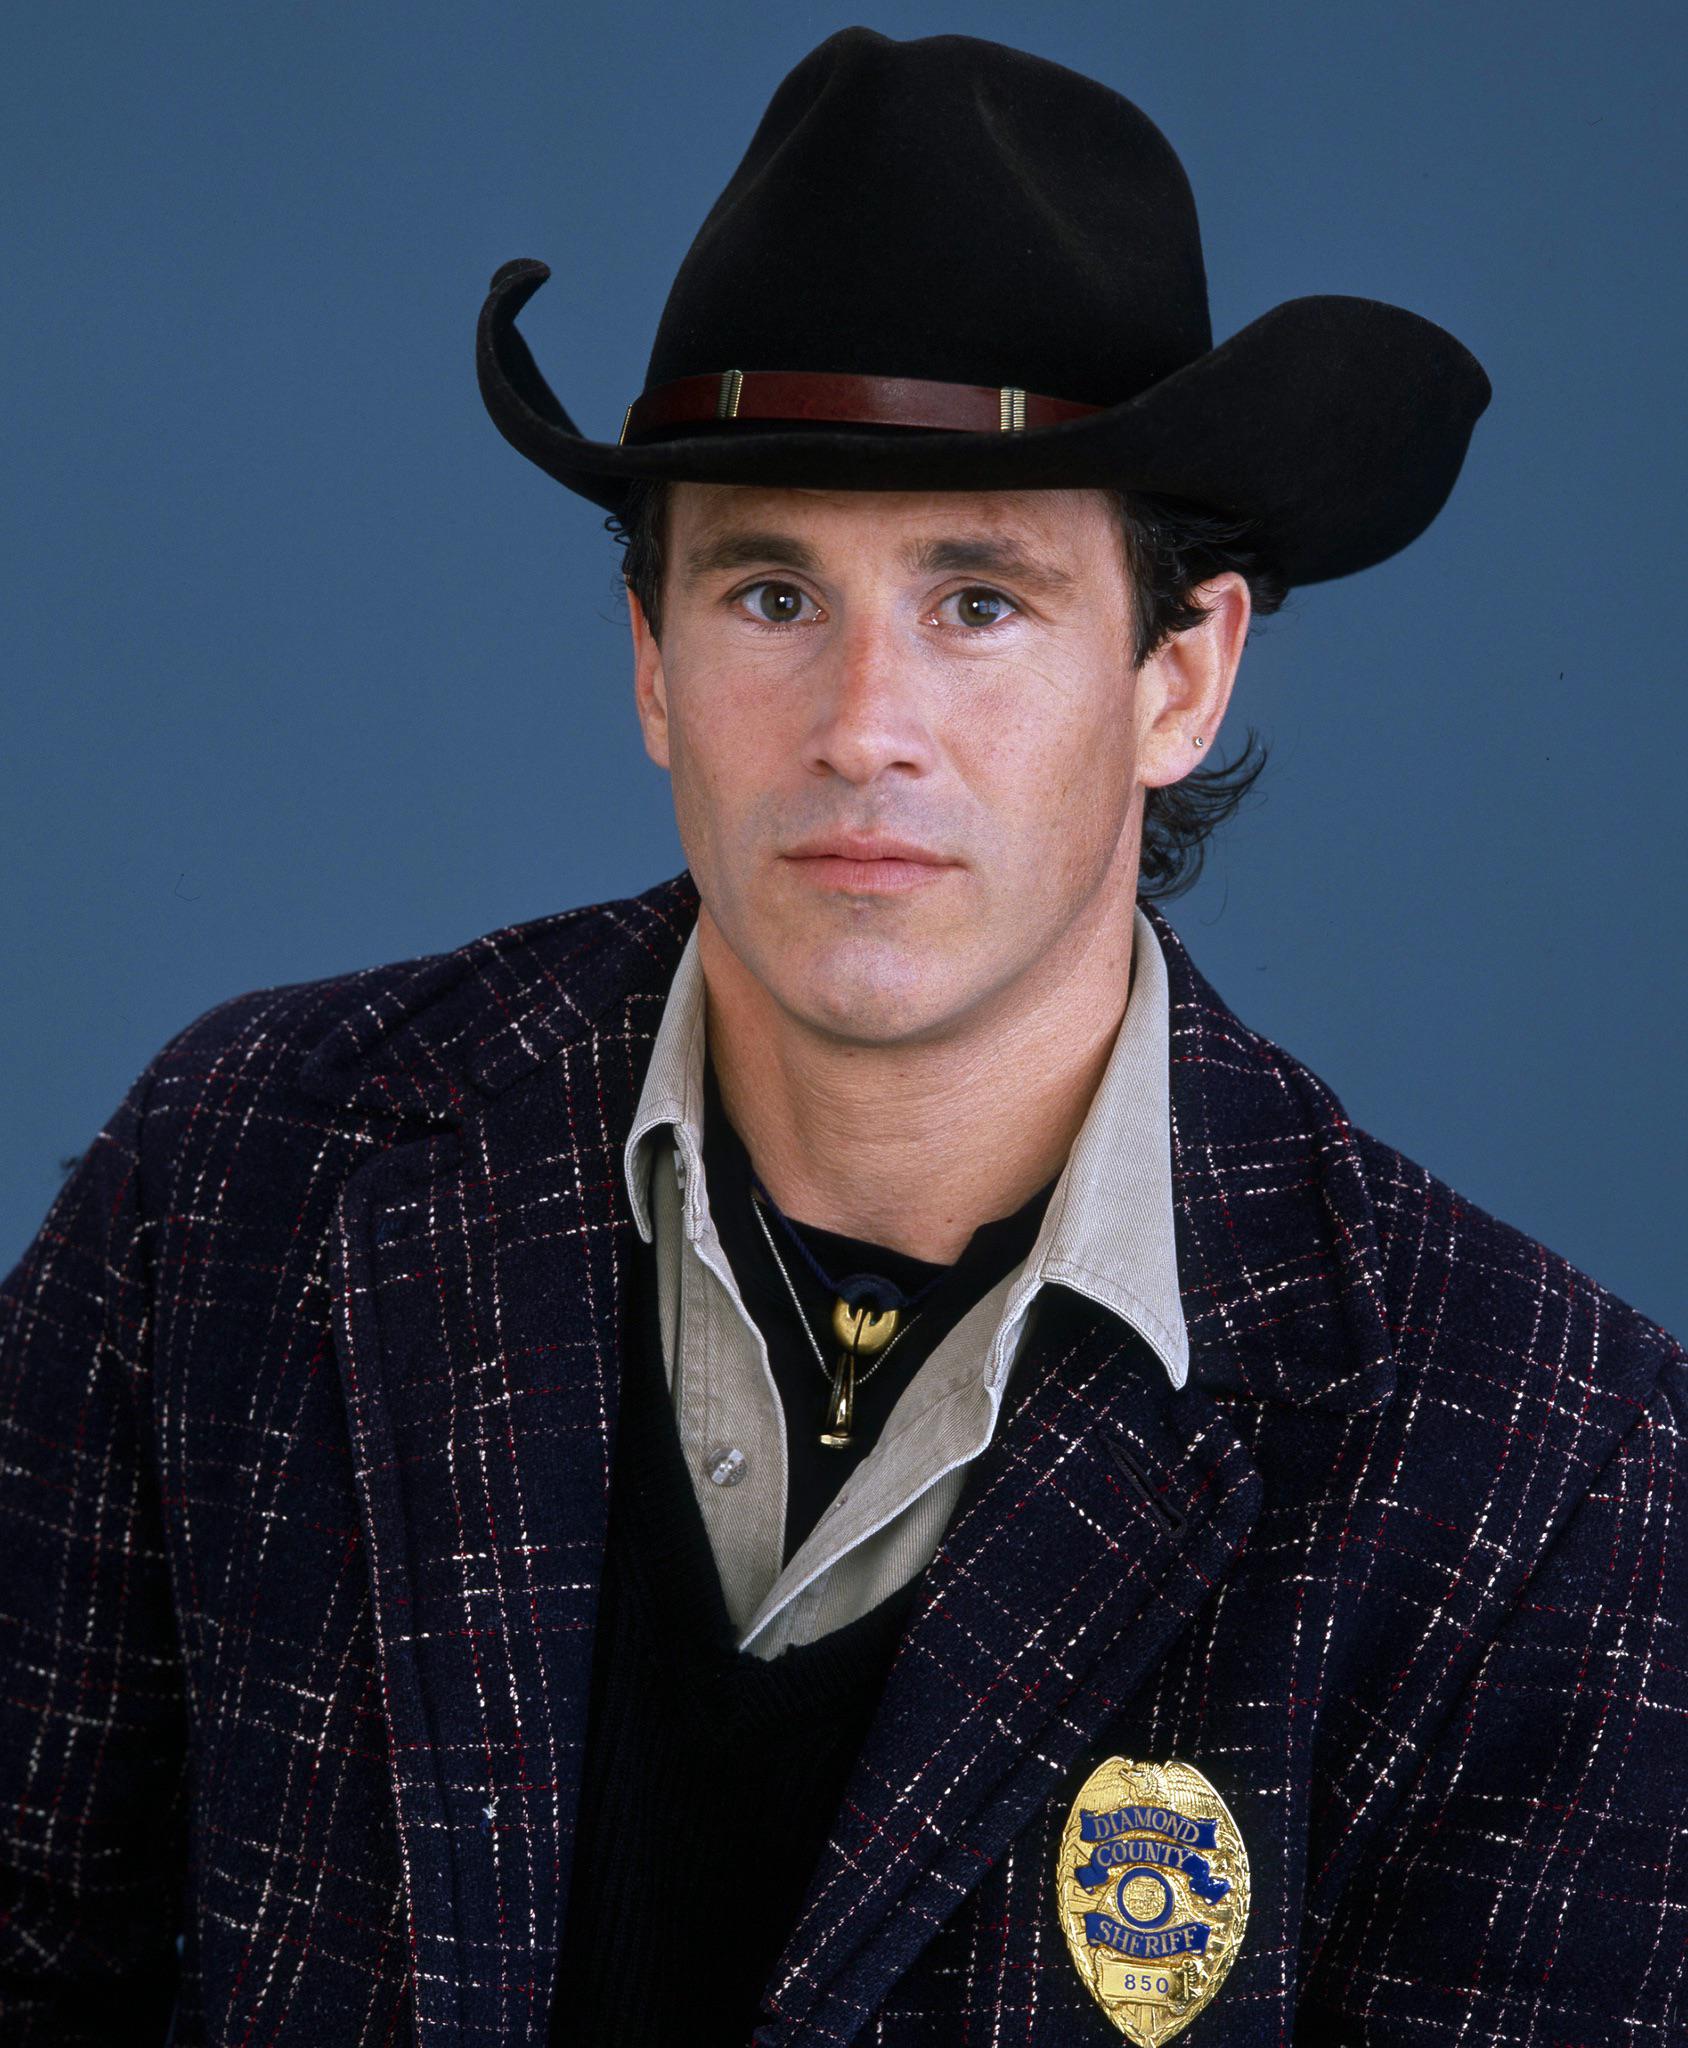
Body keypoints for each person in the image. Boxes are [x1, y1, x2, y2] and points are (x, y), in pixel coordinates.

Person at [2, 26, 1682, 2048]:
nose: (864, 725)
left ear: (1179, 676)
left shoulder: (1545, 1482)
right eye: (772, 595)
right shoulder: (242, 1188)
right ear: (651, 658)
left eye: (979, 602)